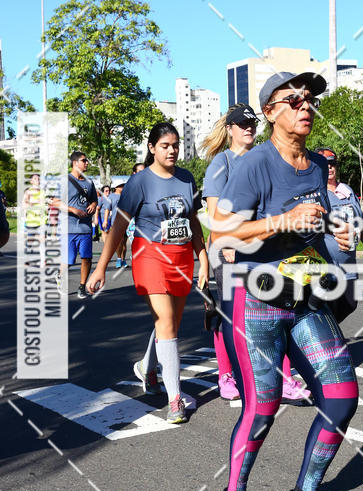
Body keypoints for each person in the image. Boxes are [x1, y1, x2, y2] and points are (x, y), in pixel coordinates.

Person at [211, 71, 359, 491]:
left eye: (310, 99)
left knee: (341, 397)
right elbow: (223, 234)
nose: (305, 106)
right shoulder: (254, 164)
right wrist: (281, 222)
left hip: (307, 297)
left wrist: (338, 232)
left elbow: (312, 225)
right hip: (256, 300)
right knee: (263, 406)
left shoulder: (316, 165)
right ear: (270, 112)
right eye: (292, 100)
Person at [87, 122, 209, 424]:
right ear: (152, 148)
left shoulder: (187, 178)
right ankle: (175, 399)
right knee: (166, 320)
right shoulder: (139, 182)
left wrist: (203, 258)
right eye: (166, 145)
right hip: (150, 255)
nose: (172, 150)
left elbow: (193, 221)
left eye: (176, 145)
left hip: (182, 257)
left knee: (171, 324)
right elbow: (118, 226)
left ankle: (147, 366)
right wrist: (101, 267)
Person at [202, 103, 308, 404]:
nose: (249, 128)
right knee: (229, 315)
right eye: (242, 124)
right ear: (231, 129)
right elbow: (215, 218)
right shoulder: (221, 164)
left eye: (252, 123)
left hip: (268, 249)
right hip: (230, 251)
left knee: (279, 311)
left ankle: (284, 378)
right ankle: (226, 375)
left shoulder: (265, 159)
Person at [315, 147, 363, 322]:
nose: (329, 168)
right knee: (327, 309)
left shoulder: (347, 191)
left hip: (348, 263)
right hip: (326, 264)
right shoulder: (316, 193)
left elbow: (361, 223)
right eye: (325, 164)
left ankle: (325, 338)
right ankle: (325, 342)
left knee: (350, 303)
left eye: (332, 164)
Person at [52, 151, 98, 299]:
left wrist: (93, 205)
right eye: (84, 161)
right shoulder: (64, 180)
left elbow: (94, 200)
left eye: (87, 160)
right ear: (75, 163)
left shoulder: (89, 182)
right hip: (68, 227)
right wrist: (73, 210)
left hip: (85, 227)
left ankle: (82, 286)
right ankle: (59, 275)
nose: (87, 163)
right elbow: (54, 201)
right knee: (69, 260)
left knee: (86, 258)